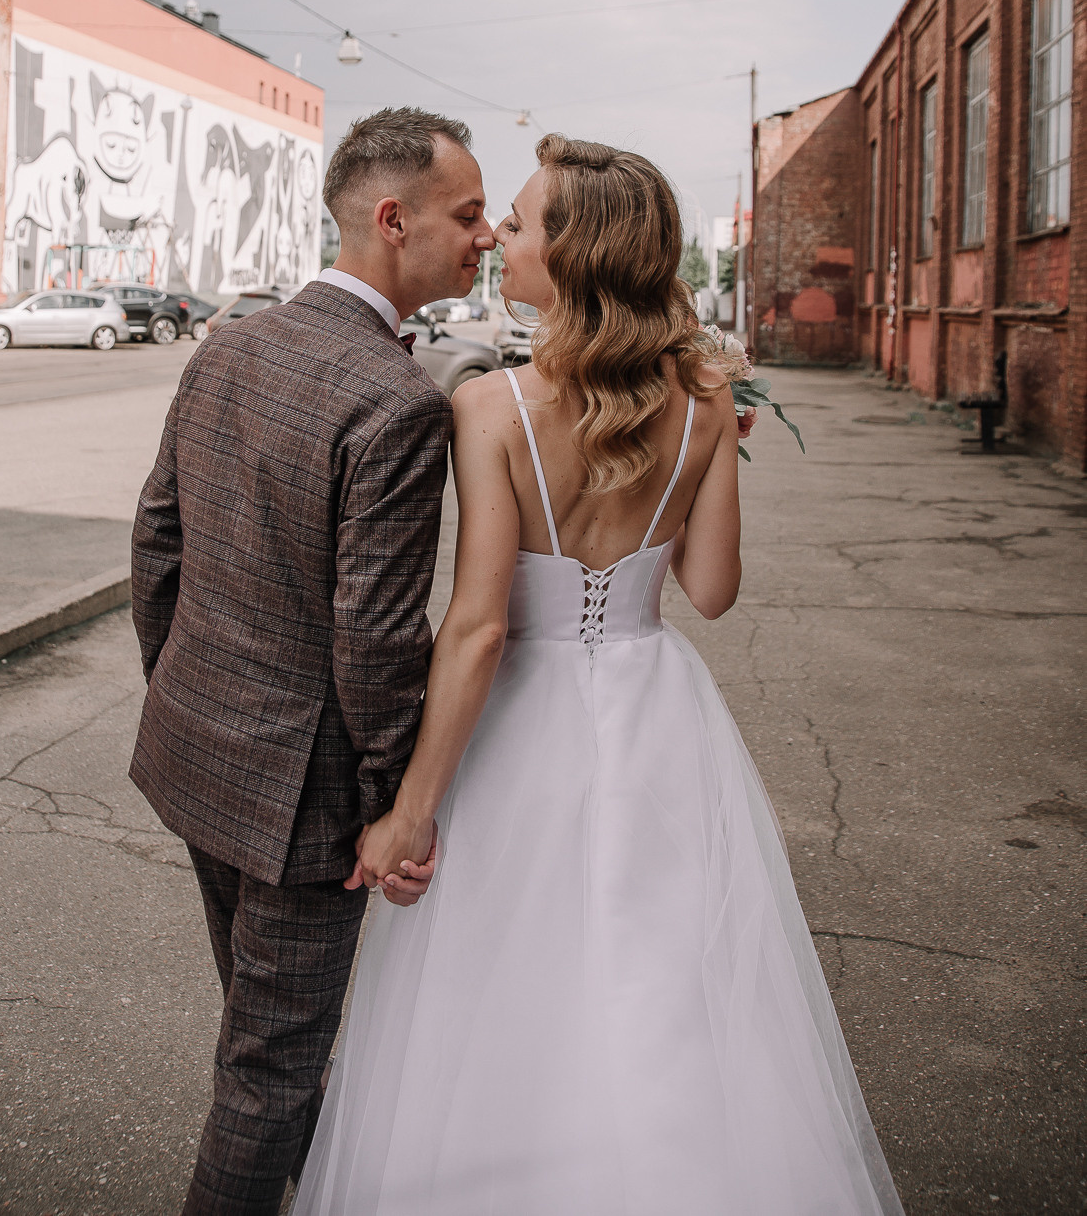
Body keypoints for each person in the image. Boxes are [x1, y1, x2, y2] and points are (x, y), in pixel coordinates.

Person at [294, 134, 905, 1216]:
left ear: (573, 257)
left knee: (499, 985)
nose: (499, 240)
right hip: (653, 704)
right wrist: (711, 451)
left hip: (517, 720)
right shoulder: (706, 404)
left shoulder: (488, 407)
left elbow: (479, 627)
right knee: (657, 978)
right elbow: (709, 590)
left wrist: (412, 813)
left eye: (519, 225)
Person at [129, 106, 496, 1216]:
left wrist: (185, 688)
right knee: (271, 1070)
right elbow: (376, 641)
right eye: (467, 213)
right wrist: (394, 806)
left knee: (260, 1034)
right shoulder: (394, 401)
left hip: (197, 757)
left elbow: (156, 543)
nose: (485, 234)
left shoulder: (228, 344)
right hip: (304, 808)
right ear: (394, 220)